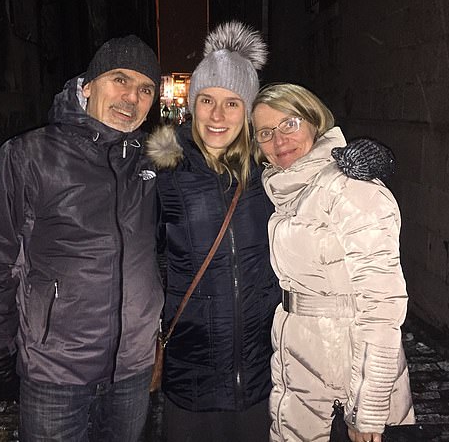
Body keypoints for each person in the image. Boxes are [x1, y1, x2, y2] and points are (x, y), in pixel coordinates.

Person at [146, 22, 394, 442]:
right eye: (206, 100)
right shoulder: (164, 172)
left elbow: (319, 167)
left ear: (247, 112)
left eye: (232, 103)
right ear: (191, 105)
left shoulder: (272, 175)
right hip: (191, 378)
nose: (218, 115)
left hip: (264, 374)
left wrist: (372, 160)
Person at [0, 35, 164, 442]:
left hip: (132, 370)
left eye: (145, 89)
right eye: (119, 80)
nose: (131, 97)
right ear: (87, 86)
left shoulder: (153, 159)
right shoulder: (28, 156)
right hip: (55, 371)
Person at [251, 83, 415, 442]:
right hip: (298, 375)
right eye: (266, 132)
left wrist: (367, 408)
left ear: (314, 121)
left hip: (345, 385)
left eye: (290, 123)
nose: (279, 140)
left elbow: (382, 305)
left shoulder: (348, 188)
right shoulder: (285, 188)